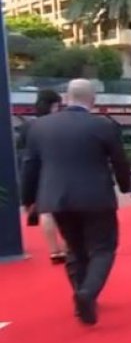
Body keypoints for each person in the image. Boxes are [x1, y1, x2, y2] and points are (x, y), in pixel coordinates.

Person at [20, 79, 131, 325]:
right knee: (103, 248)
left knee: (75, 248)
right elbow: (120, 161)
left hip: (57, 197)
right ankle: (87, 294)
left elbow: (30, 166)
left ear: (65, 98)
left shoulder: (40, 127)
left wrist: (28, 199)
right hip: (96, 197)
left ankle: (81, 294)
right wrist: (126, 186)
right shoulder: (103, 125)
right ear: (93, 100)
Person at [18, 89, 67, 264]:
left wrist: (26, 194)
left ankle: (54, 250)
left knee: (46, 212)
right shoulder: (60, 124)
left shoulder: (28, 127)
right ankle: (68, 246)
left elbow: (24, 154)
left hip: (37, 171)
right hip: (58, 170)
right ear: (54, 105)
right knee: (64, 209)